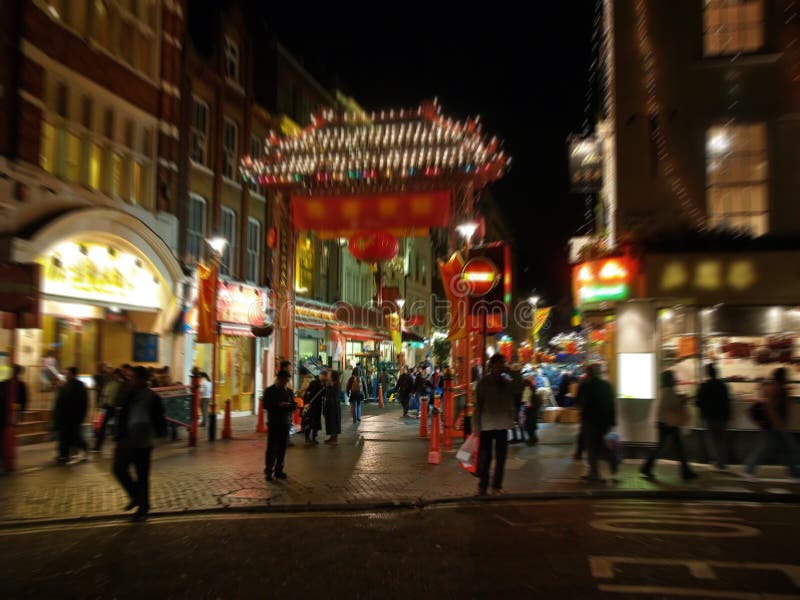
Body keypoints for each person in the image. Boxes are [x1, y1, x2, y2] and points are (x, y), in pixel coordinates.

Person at [113, 366, 167, 521]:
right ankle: (136, 496)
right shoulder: (128, 394)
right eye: (130, 377)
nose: (131, 380)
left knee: (142, 475)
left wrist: (160, 432)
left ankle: (143, 508)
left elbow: (159, 417)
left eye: (133, 377)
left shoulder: (152, 396)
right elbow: (122, 416)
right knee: (118, 469)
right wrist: (118, 436)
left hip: (144, 441)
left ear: (143, 379)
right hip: (127, 439)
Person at [744, 367, 800, 481]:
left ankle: (794, 473)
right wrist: (778, 423)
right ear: (783, 377)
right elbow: (770, 407)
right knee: (789, 448)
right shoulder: (777, 389)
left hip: (774, 425)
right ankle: (748, 470)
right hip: (775, 425)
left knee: (786, 449)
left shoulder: (776, 387)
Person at [641, 370, 697, 481]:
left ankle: (647, 468)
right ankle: (647, 468)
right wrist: (683, 400)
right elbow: (673, 404)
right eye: (672, 377)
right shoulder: (668, 391)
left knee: (671, 446)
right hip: (667, 423)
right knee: (671, 447)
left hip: (665, 422)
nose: (674, 379)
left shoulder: (664, 391)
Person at [474, 354, 517, 495]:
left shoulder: (508, 383)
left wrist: (512, 374)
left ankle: (496, 486)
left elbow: (516, 395)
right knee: (485, 457)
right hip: (487, 424)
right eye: (499, 364)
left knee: (501, 457)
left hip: (503, 424)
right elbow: (477, 406)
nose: (502, 367)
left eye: (503, 364)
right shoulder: (483, 382)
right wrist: (476, 426)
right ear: (492, 366)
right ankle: (483, 485)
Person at [577, 364, 619, 481]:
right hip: (604, 421)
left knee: (591, 447)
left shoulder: (586, 386)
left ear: (589, 373)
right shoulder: (606, 386)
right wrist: (612, 421)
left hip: (589, 421)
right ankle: (612, 461)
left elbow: (578, 401)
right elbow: (611, 405)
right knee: (601, 445)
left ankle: (594, 472)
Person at [696, 363, 731, 471]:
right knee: (722, 439)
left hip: (710, 416)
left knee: (715, 440)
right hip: (722, 416)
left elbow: (698, 402)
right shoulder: (723, 385)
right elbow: (727, 400)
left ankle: (719, 462)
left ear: (707, 373)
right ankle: (722, 462)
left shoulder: (704, 386)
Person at [263, 370, 296, 481]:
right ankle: (268, 470)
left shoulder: (288, 392)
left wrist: (289, 405)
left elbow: (293, 406)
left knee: (282, 448)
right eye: (284, 381)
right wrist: (278, 405)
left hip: (285, 423)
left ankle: (279, 470)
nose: (285, 383)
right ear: (279, 379)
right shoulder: (269, 391)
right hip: (273, 423)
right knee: (272, 447)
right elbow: (265, 405)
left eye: (287, 381)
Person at [53, 367, 89, 464]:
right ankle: (63, 455)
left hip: (73, 416)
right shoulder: (67, 385)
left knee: (73, 435)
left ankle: (69, 453)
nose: (66, 375)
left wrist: (81, 416)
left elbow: (81, 402)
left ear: (73, 374)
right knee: (65, 436)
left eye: (68, 373)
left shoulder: (78, 385)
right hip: (65, 416)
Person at [93, 368, 125, 452]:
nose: (114, 376)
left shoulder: (121, 384)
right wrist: (100, 405)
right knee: (102, 426)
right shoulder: (109, 384)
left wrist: (119, 406)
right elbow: (104, 395)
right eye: (114, 374)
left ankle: (118, 446)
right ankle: (98, 446)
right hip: (107, 407)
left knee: (118, 428)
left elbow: (121, 397)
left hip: (115, 408)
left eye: (116, 374)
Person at [303, 368, 327, 444]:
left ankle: (314, 437)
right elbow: (309, 393)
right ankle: (307, 438)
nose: (325, 378)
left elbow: (323, 394)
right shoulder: (314, 383)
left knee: (316, 422)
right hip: (311, 405)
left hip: (318, 405)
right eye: (324, 376)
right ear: (321, 375)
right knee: (309, 421)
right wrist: (307, 403)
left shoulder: (323, 384)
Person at [323, 370, 342, 444]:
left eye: (329, 374)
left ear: (332, 376)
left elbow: (334, 394)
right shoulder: (329, 384)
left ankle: (334, 438)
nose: (327, 375)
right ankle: (332, 437)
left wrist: (330, 386)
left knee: (333, 421)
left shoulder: (336, 384)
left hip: (333, 405)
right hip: (329, 404)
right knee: (330, 421)